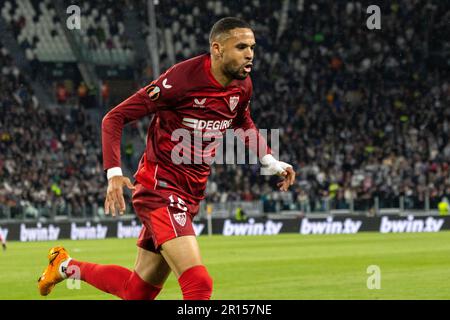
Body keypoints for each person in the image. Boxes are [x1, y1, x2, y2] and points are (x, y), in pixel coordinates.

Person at [37, 17, 296, 300]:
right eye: (241, 47)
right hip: (160, 189)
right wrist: (113, 174)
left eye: (252, 47)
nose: (250, 55)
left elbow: (242, 120)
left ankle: (63, 266)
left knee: (136, 292)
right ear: (217, 48)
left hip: (191, 194)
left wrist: (270, 160)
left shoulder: (242, 85)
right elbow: (114, 117)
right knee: (199, 284)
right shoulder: (181, 80)